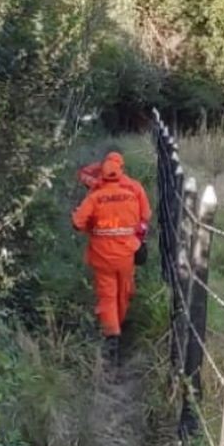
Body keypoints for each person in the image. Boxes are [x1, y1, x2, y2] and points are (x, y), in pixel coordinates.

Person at [70, 152, 150, 364]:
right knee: (124, 292)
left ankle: (111, 336)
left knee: (107, 296)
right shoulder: (135, 189)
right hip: (126, 254)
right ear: (122, 168)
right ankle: (119, 324)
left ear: (103, 172)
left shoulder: (95, 195)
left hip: (102, 255)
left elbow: (78, 223)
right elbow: (146, 217)